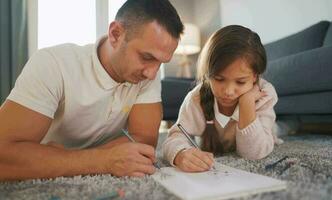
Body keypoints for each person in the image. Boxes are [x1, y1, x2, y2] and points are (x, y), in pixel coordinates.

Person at [0, 0, 183, 181]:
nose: (152, 74)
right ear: (115, 34)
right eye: (146, 57)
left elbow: (144, 139)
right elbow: (4, 155)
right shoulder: (53, 64)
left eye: (161, 62)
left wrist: (65, 158)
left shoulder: (145, 75)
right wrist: (102, 160)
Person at [162, 25, 283, 172]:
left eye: (240, 82)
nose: (228, 91)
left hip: (265, 132)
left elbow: (254, 154)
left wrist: (247, 103)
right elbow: (174, 137)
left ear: (255, 77)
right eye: (219, 79)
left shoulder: (264, 94)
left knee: (281, 129)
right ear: (208, 74)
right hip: (215, 141)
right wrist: (181, 154)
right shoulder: (196, 98)